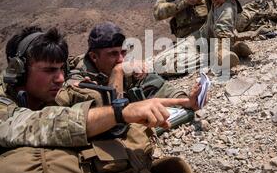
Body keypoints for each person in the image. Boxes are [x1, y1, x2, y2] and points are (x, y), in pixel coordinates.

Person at [0, 26, 196, 173]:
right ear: (19, 71)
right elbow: (31, 125)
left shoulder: (49, 88)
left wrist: (180, 103)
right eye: (49, 70)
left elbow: (85, 99)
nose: (60, 78)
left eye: (62, 69)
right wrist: (120, 113)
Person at [153, 0, 252, 74]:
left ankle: (224, 48)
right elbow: (157, 12)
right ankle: (221, 54)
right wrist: (184, 2)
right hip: (190, 40)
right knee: (160, 64)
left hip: (212, 30)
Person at [67, 22, 200, 109]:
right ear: (94, 57)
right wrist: (117, 73)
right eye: (113, 54)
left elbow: (158, 87)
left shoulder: (126, 65)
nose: (120, 59)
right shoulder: (79, 80)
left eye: (123, 52)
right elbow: (112, 115)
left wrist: (185, 100)